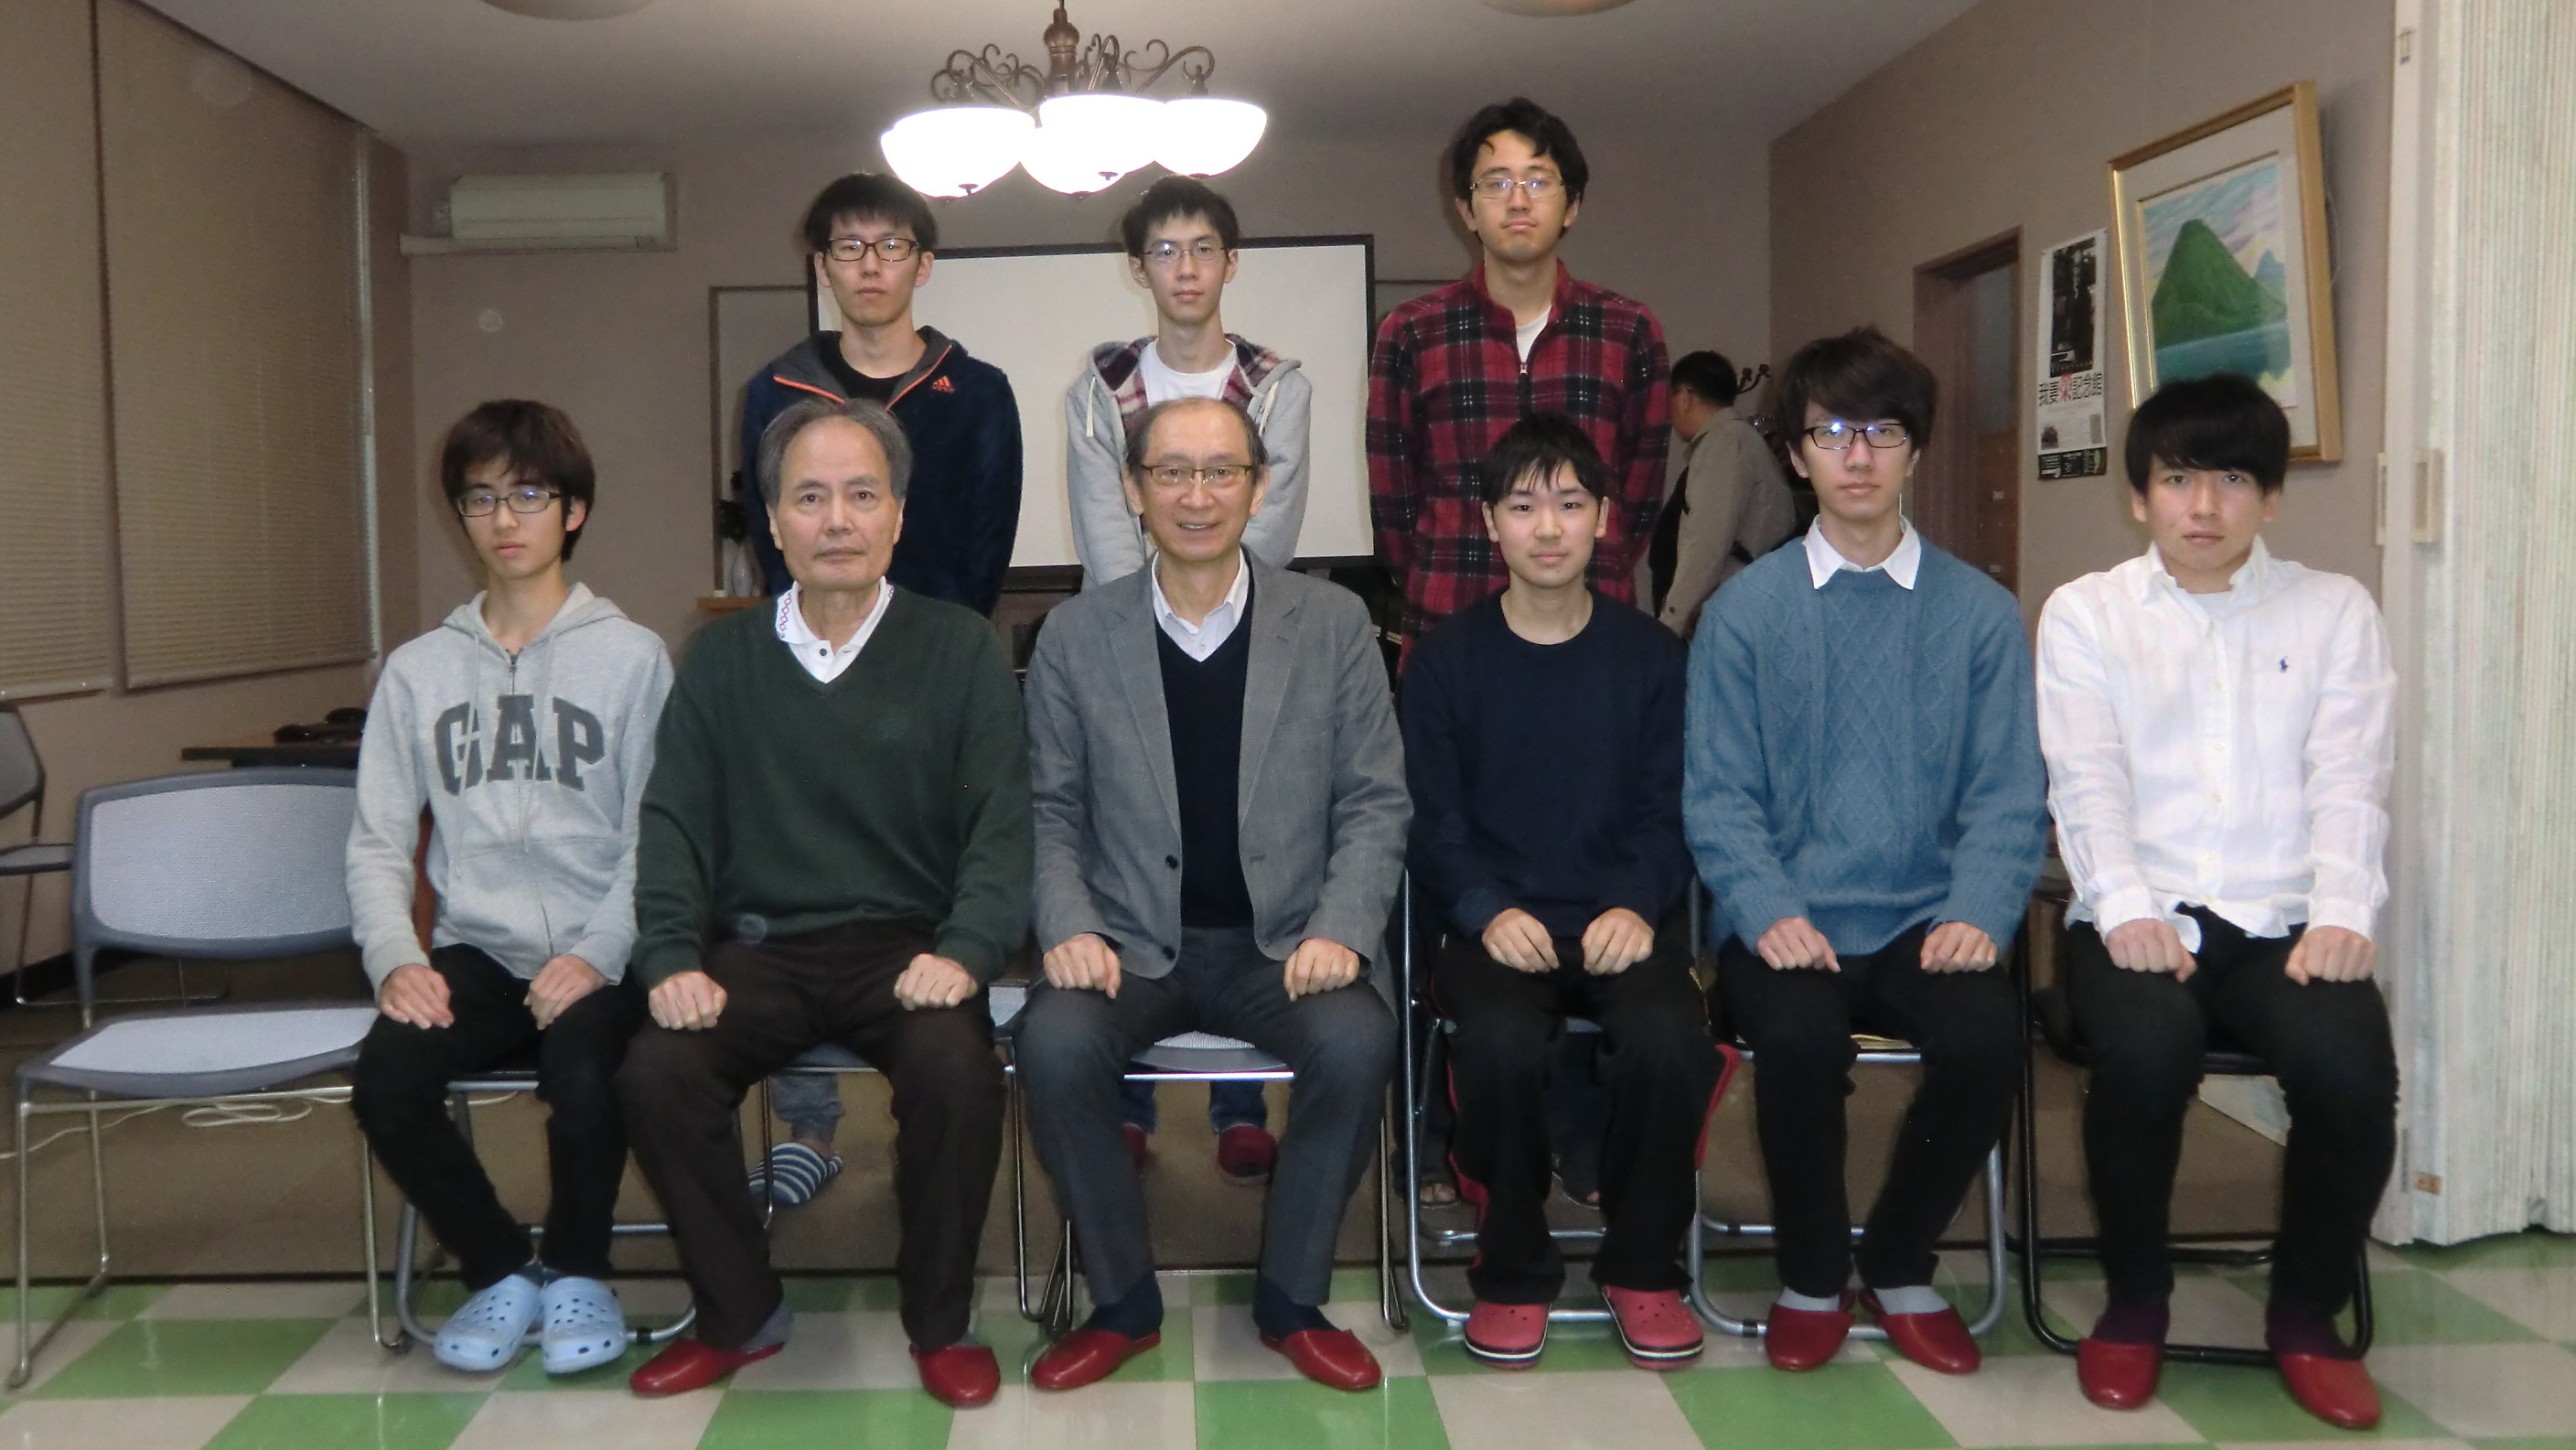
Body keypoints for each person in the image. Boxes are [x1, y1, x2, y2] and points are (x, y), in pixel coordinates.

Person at [615, 397, 1032, 1408]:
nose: (836, 519)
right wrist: (670, 957)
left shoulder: (960, 647)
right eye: (809, 497)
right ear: (772, 520)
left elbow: (1001, 826)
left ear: (898, 514)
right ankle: (738, 1313)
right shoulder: (720, 659)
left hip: (911, 946)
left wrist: (967, 950)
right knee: (657, 1072)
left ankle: (939, 1321)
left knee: (957, 1073)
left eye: (861, 495)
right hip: (761, 948)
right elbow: (673, 825)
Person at [1014, 396, 1408, 1393]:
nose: (1197, 495)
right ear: (1133, 489)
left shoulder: (1332, 625)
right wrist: (1067, 924)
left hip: (1285, 944)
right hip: (1129, 945)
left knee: (1357, 1039)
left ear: (1258, 486)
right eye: (1172, 472)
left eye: (1220, 471)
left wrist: (1342, 928)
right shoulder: (1073, 635)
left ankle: (1292, 1300)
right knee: (1052, 1043)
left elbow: (1374, 800)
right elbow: (1047, 809)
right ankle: (1122, 1303)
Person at [2036, 372, 2397, 1429]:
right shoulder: (2086, 613)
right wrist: (2121, 905)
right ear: (2138, 495)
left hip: (2284, 919)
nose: (2202, 506)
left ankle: (2304, 1312)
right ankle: (2135, 1300)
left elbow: (2349, 775)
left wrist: (2344, 910)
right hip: (2134, 914)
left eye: (2231, 480)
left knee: (2350, 1071)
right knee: (2144, 1053)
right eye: (2176, 479)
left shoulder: (2333, 610)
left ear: (2270, 497)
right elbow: (2085, 778)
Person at [1683, 327, 2044, 1377]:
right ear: (1796, 454)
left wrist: (1979, 907)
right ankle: (1809, 1274)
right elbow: (1717, 794)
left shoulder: (1979, 614)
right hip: (1785, 916)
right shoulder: (1740, 614)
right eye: (1830, 432)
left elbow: (2007, 787)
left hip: (1927, 914)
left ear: (1914, 451)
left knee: (1987, 1038)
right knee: (1797, 1041)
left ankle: (1896, 1259)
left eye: (1881, 432)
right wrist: (1766, 910)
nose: (1856, 455)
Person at [347, 401, 671, 1377]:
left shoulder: (634, 658)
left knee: (585, 1072)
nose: (504, 519)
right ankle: (498, 1266)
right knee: (387, 1079)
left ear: (573, 510)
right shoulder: (418, 672)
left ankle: (578, 1268)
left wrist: (598, 953)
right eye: (481, 498)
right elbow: (377, 840)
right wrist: (395, 958)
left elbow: (660, 836)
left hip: (603, 943)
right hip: (478, 950)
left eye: (529, 495)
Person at [1403, 414, 1733, 1370]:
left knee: (1670, 1039)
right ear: (1488, 523)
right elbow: (1428, 819)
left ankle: (1642, 1264)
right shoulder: (1444, 661)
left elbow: (1672, 809)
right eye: (1522, 506)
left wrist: (1634, 901)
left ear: (1604, 518)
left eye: (1569, 503)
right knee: (1499, 1043)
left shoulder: (1652, 658)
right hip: (1494, 928)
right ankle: (1510, 1268)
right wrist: (1483, 909)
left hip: (1621, 922)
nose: (1547, 527)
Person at [734, 173, 1023, 1208]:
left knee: (919, 898)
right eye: (849, 248)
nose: (870, 266)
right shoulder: (775, 390)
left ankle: (927, 1121)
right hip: (809, 680)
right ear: (822, 265)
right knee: (791, 896)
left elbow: (987, 544)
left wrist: (929, 658)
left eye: (890, 246)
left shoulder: (976, 389)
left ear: (923, 264)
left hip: (934, 682)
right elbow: (768, 539)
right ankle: (809, 1127)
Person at [1064, 176, 1308, 1182]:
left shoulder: (1276, 382)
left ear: (1230, 262)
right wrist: (1149, 621)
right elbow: (1101, 524)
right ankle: (1124, 1098)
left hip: (1247, 636)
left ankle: (1236, 1104)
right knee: (1128, 855)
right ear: (1139, 269)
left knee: (1235, 850)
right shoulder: (1100, 384)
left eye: (1203, 248)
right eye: (1164, 251)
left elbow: (1271, 524)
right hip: (1128, 643)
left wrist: (1211, 600)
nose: (1185, 268)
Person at [1368, 96, 1670, 652]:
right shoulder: (1411, 332)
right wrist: (1439, 573)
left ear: (1571, 205)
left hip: (1592, 625)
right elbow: (1393, 502)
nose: (1518, 200)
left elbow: (1639, 495)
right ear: (1466, 210)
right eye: (1497, 183)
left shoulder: (1628, 331)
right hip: (1450, 622)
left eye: (1538, 180)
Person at [1650, 349, 1795, 636]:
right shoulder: (1735, 439)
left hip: (1735, 611)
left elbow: (1706, 543)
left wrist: (1671, 623)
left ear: (1685, 398)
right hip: (1742, 605)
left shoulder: (1725, 443)